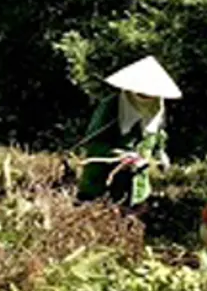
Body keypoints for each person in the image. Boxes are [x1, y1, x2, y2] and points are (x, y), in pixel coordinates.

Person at [76, 56, 182, 208]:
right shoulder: (111, 106)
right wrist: (120, 156)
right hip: (102, 182)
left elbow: (159, 135)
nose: (147, 96)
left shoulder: (157, 107)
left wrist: (160, 155)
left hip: (137, 185)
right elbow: (93, 143)